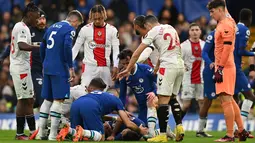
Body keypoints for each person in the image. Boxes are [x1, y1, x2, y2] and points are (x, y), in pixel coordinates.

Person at [118, 15, 185, 142]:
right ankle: (180, 127)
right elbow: (168, 50)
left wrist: (128, 68)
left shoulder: (153, 31)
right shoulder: (170, 27)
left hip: (168, 67)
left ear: (148, 25)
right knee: (173, 97)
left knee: (162, 100)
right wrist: (156, 67)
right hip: (179, 65)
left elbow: (137, 53)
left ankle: (163, 135)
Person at [36, 10, 83, 140]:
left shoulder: (51, 27)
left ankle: (41, 134)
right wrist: (71, 67)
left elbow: (42, 46)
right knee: (59, 100)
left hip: (48, 66)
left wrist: (44, 61)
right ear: (74, 21)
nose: (76, 27)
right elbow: (67, 46)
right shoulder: (69, 29)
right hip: (60, 68)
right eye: (77, 25)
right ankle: (52, 135)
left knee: (48, 99)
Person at [207, 0, 248, 141]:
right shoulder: (228, 19)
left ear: (220, 10)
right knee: (230, 99)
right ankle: (242, 131)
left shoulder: (225, 24)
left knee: (225, 99)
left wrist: (220, 68)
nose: (211, 15)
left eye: (212, 11)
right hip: (227, 65)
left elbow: (227, 48)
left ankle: (230, 135)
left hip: (224, 66)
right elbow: (224, 5)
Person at [57, 78, 148, 141]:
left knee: (77, 136)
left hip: (77, 103)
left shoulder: (100, 96)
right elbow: (127, 123)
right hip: (90, 105)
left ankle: (68, 130)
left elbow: (101, 114)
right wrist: (140, 131)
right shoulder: (117, 101)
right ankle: (80, 131)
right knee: (101, 138)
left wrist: (112, 119)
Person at [0, 9, 47, 109]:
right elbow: (12, 45)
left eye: (44, 19)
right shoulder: (28, 30)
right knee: (41, 98)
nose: (42, 21)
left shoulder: (48, 33)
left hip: (45, 69)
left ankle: (24, 111)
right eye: (40, 19)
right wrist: (3, 56)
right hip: (32, 69)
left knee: (37, 101)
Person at [9, 2, 40, 140]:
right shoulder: (21, 27)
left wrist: (35, 45)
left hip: (23, 67)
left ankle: (24, 132)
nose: (37, 20)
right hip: (20, 67)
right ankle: (25, 132)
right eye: (36, 17)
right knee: (25, 100)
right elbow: (22, 45)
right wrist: (38, 47)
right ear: (30, 15)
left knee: (28, 99)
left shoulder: (23, 27)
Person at [72, 4, 120, 90]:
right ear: (91, 17)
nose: (97, 21)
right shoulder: (85, 29)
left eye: (100, 18)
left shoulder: (112, 30)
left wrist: (116, 65)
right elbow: (75, 48)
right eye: (95, 19)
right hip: (89, 67)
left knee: (104, 94)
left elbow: (116, 50)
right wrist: (69, 65)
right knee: (85, 92)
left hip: (105, 67)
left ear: (104, 16)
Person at [180, 23, 212, 136]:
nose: (194, 32)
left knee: (203, 104)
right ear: (189, 32)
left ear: (200, 31)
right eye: (192, 30)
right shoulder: (183, 46)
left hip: (202, 78)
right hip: (188, 78)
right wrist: (182, 67)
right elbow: (178, 60)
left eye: (197, 29)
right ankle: (177, 126)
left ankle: (200, 130)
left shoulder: (205, 45)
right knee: (186, 105)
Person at [118, 49, 158, 137]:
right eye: (123, 64)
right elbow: (122, 96)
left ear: (133, 59)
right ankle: (164, 131)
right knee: (141, 132)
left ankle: (161, 131)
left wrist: (154, 93)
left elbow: (160, 83)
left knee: (144, 132)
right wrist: (122, 110)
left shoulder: (145, 69)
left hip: (154, 101)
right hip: (142, 107)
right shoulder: (124, 75)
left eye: (127, 63)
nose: (125, 66)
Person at [233, 8, 255, 138]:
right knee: (250, 97)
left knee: (234, 100)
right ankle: (241, 129)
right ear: (249, 18)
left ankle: (237, 129)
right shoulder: (244, 30)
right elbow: (241, 51)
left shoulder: (234, 28)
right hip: (235, 68)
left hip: (232, 66)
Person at [198, 30, 216, 137]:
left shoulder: (227, 35)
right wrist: (210, 63)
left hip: (223, 70)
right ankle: (200, 130)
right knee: (207, 101)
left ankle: (235, 129)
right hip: (210, 71)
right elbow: (204, 53)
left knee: (231, 97)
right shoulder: (213, 35)